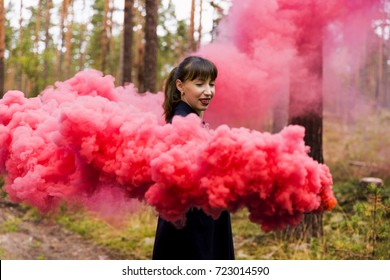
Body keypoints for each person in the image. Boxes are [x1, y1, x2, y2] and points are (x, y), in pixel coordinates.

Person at [152, 56, 235, 260]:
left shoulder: (190, 120)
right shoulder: (182, 124)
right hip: (192, 228)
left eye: (211, 84)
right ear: (180, 86)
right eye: (199, 84)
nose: (208, 91)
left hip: (198, 223)